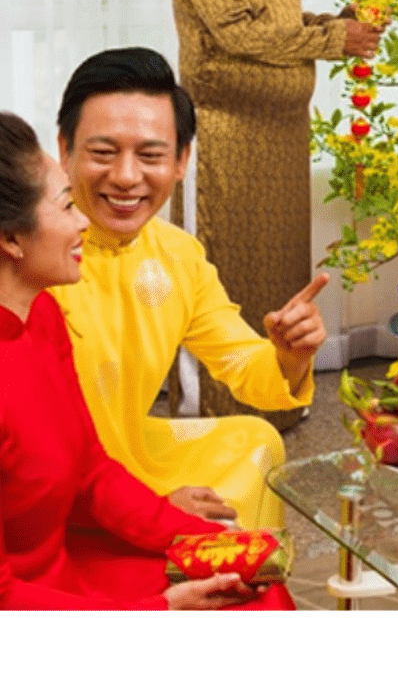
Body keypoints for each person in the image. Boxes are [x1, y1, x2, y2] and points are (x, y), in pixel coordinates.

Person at [0, 111, 294, 609]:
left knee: (252, 584)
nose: (82, 221)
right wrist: (161, 611)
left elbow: (92, 470)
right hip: (31, 602)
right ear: (11, 239)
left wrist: (201, 539)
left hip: (65, 567)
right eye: (66, 205)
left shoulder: (42, 315)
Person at [50, 47, 329, 530]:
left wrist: (289, 356)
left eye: (150, 155)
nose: (126, 177)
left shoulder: (177, 254)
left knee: (256, 440)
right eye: (103, 153)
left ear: (181, 160)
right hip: (51, 479)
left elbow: (242, 363)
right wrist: (145, 509)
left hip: (130, 453)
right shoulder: (32, 251)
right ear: (64, 150)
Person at [169, 0, 381, 426]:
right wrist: (333, 40)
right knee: (223, 278)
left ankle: (278, 401)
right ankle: (217, 411)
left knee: (282, 278)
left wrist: (336, 23)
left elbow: (278, 26)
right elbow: (237, 34)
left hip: (284, 135)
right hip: (226, 133)